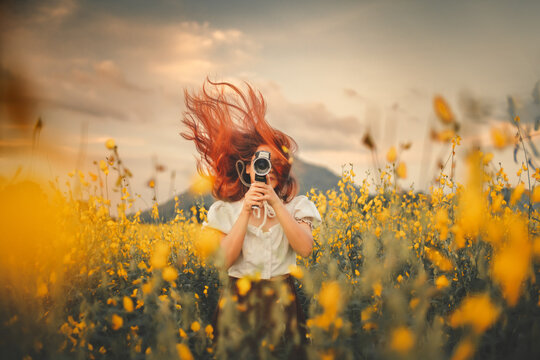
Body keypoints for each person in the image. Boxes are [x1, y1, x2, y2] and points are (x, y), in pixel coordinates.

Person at [181, 79, 321, 359]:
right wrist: (245, 210)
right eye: (259, 162)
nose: (265, 169)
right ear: (245, 167)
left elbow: (306, 249)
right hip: (238, 300)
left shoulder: (298, 207)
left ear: (281, 169)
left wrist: (277, 205)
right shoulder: (225, 211)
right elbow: (225, 261)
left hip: (283, 300)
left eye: (272, 163)